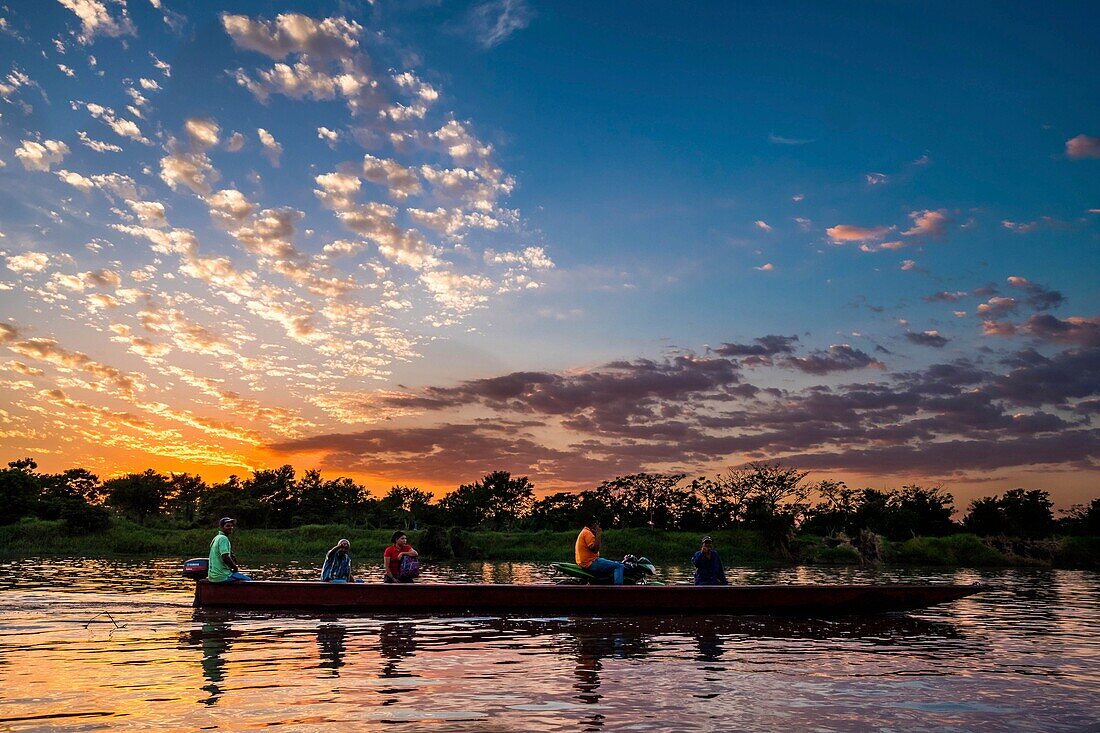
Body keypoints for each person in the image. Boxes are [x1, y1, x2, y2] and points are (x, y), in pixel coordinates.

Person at [575, 516, 624, 585]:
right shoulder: (588, 533)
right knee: (619, 566)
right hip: (590, 563)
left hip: (586, 562)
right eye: (598, 524)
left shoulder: (584, 532)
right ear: (594, 524)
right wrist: (598, 534)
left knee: (616, 563)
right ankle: (619, 590)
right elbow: (595, 549)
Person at [207, 517, 251, 582]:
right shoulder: (223, 538)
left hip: (213, 576)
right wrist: (235, 568)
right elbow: (225, 557)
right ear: (221, 527)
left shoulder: (216, 538)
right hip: (222, 576)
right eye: (227, 526)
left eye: (231, 526)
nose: (230, 527)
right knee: (248, 580)